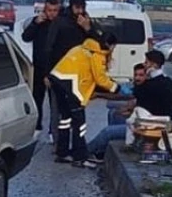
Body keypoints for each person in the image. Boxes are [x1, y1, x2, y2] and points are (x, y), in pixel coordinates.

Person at [87, 49, 172, 159]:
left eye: (146, 62)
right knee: (114, 114)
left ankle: (84, 153)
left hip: (151, 125)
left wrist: (146, 78)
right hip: (148, 119)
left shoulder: (152, 84)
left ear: (153, 65)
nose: (144, 65)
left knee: (107, 132)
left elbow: (138, 95)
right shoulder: (167, 81)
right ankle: (103, 152)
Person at [49, 33, 120, 168]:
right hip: (72, 86)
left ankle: (62, 153)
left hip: (57, 81)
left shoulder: (81, 48)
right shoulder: (97, 55)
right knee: (79, 124)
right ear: (110, 45)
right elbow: (100, 78)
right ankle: (79, 157)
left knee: (65, 119)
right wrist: (116, 88)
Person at [22, 0, 62, 132]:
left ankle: (53, 130)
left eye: (55, 10)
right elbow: (25, 37)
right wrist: (35, 23)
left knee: (55, 102)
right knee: (37, 99)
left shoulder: (61, 25)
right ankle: (37, 126)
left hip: (56, 69)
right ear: (45, 10)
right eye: (49, 10)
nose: (52, 13)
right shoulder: (39, 23)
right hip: (39, 67)